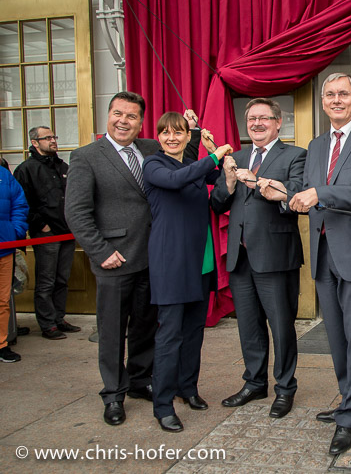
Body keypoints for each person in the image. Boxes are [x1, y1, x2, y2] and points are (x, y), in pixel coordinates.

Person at [289, 73, 351, 456]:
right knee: (335, 334)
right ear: (323, 102)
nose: (335, 100)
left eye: (342, 94)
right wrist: (284, 194)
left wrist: (319, 193)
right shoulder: (315, 145)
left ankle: (349, 417)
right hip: (323, 251)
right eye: (329, 95)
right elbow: (304, 190)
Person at [65, 91, 160, 426]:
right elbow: (76, 212)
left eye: (132, 116)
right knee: (112, 331)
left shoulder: (151, 149)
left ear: (141, 122)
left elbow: (181, 154)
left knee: (145, 327)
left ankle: (138, 381)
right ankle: (113, 395)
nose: (124, 121)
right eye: (118, 113)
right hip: (114, 260)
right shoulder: (86, 156)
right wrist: (101, 251)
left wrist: (191, 128)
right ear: (108, 116)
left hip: (151, 257)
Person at [210, 98, 306, 419]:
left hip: (276, 256)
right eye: (252, 119)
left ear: (278, 123)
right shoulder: (234, 158)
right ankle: (254, 382)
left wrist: (264, 184)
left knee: (281, 326)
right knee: (249, 326)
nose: (257, 124)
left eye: (264, 118)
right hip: (240, 256)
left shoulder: (295, 155)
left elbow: (296, 196)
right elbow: (218, 203)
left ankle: (285, 388)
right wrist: (229, 180)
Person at [143, 112, 233, 432]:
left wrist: (216, 154)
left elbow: (219, 181)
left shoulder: (192, 166)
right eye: (165, 133)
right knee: (169, 335)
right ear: (158, 137)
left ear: (186, 136)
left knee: (194, 331)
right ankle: (163, 404)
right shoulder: (154, 165)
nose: (172, 137)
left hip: (201, 261)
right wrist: (213, 154)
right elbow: (179, 180)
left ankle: (188, 388)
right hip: (171, 264)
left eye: (178, 132)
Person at [14, 126, 80, 340]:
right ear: (35, 142)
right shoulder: (26, 169)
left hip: (67, 232)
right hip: (46, 234)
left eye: (54, 136)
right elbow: (22, 202)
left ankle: (59, 318)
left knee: (62, 279)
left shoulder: (63, 166)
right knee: (46, 281)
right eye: (47, 138)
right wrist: (42, 225)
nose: (53, 140)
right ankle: (47, 324)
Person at [0, 164, 28, 363]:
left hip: (4, 247)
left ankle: (1, 344)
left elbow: (19, 204)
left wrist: (15, 231)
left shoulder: (3, 175)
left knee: (2, 301)